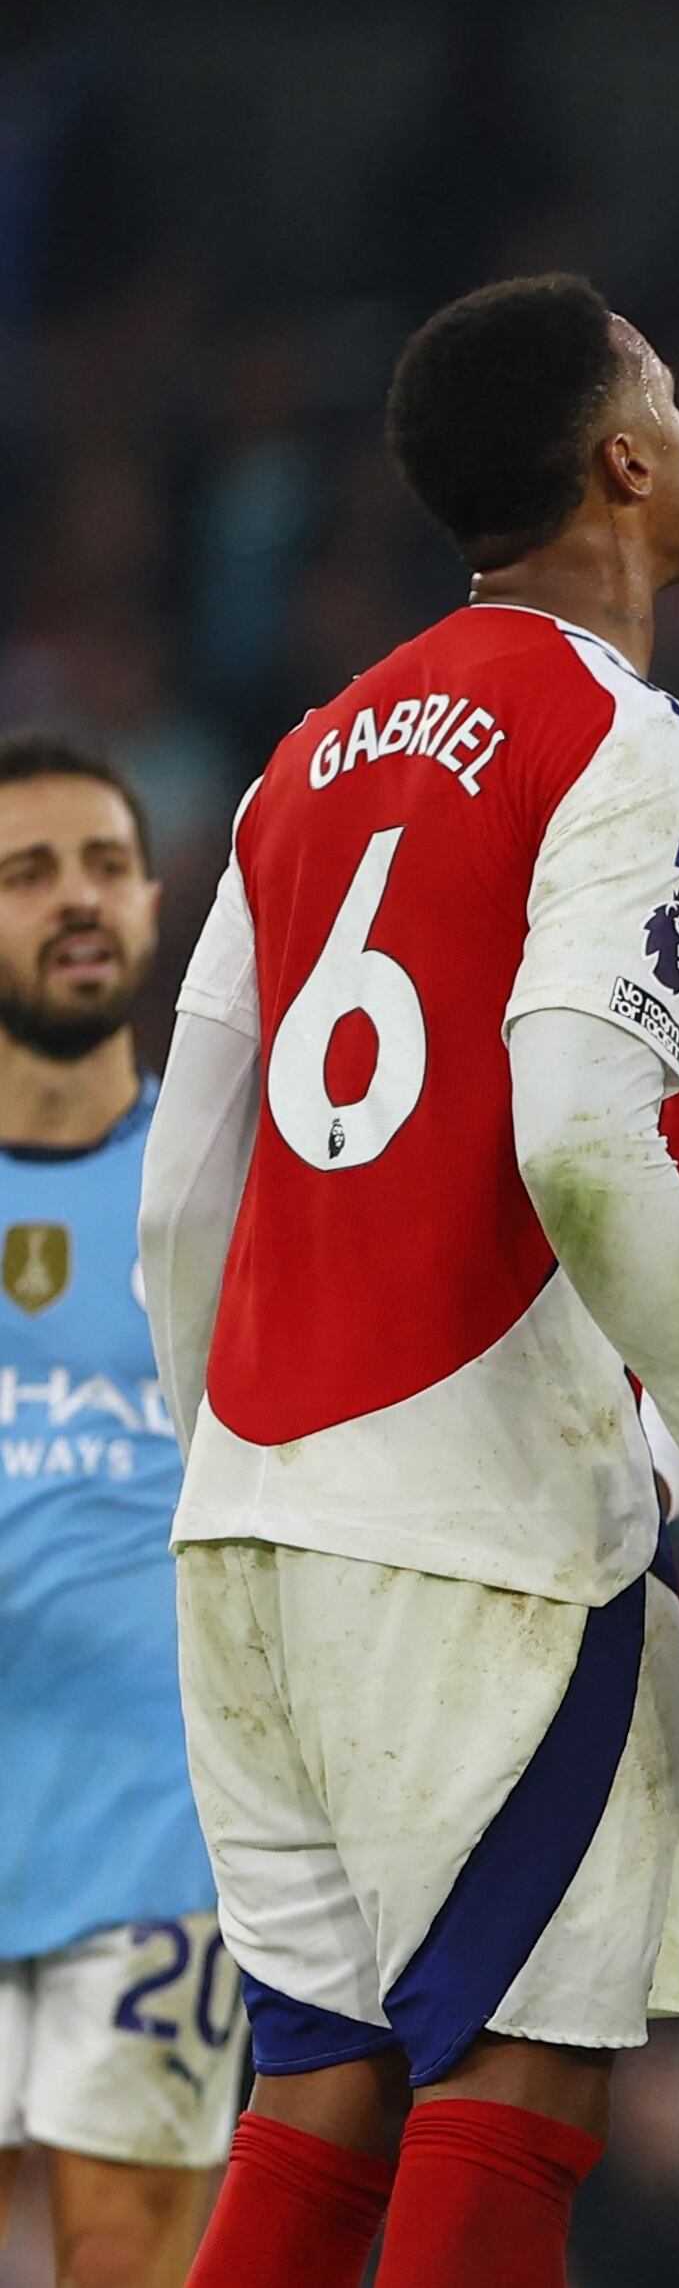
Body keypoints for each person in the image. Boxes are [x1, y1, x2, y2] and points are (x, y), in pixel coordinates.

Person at [137, 272, 679, 2288]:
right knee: (517, 2089)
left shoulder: (296, 766)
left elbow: (174, 1205)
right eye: (673, 388)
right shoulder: (634, 739)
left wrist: (237, 1470)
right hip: (477, 1523)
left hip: (252, 1519)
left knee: (318, 2109)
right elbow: (577, 1135)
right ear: (622, 462)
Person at [0, 735, 235, 2288]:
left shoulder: (230, 1188)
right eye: (27, 872)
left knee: (121, 2250)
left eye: (103, 865)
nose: (76, 899)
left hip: (161, 1819)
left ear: (153, 907)